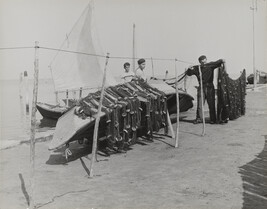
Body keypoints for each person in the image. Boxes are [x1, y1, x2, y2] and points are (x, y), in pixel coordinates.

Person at [186, 55, 224, 124]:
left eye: (204, 60)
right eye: (201, 61)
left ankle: (213, 119)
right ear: (199, 62)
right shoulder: (197, 68)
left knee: (211, 104)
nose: (203, 62)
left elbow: (218, 62)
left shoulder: (211, 65)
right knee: (200, 104)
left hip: (210, 87)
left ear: (206, 59)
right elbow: (189, 74)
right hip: (201, 87)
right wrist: (189, 68)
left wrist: (222, 60)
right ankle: (199, 119)